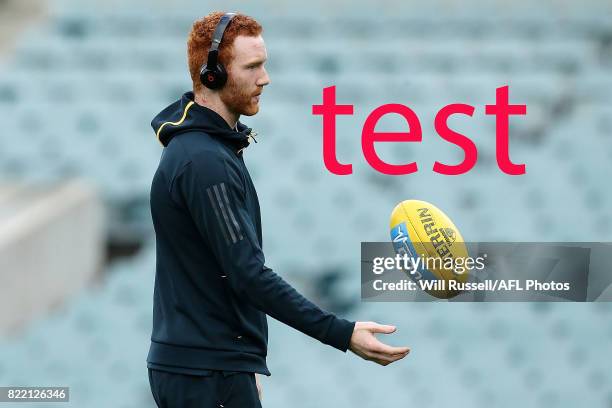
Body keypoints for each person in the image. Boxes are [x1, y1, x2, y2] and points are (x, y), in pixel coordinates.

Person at [147, 11, 410, 408]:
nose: (265, 78)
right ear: (212, 75)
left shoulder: (209, 150)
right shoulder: (204, 162)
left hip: (213, 369)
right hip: (206, 374)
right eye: (252, 67)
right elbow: (247, 274)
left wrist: (241, 366)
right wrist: (342, 333)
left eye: (264, 65)